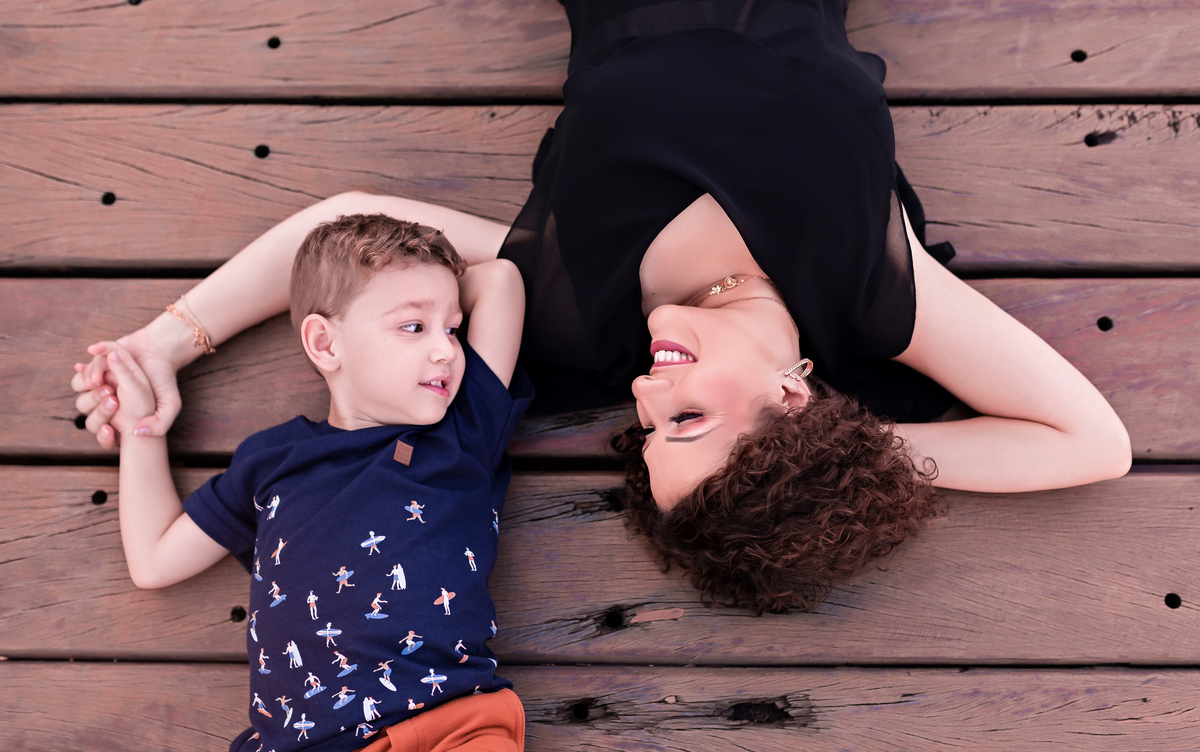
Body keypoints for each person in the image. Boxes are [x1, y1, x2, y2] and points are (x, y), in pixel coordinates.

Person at [73, 0, 1130, 616]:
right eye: (688, 420)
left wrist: (164, 344)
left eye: (648, 426)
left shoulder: (576, 311)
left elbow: (347, 224)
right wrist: (844, 455)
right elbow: (1094, 443)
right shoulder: (867, 291)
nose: (644, 390)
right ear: (795, 405)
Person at [91, 215, 541, 752]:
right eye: (412, 326)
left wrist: (426, 286)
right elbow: (153, 559)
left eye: (453, 329)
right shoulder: (273, 461)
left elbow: (501, 278)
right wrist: (141, 429)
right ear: (325, 343)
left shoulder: (461, 432)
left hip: (449, 735)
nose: (445, 351)